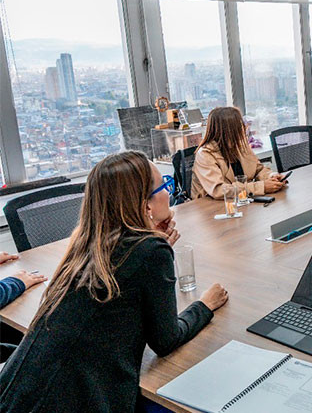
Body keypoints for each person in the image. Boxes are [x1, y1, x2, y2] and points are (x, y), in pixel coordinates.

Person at [0, 151, 228, 411]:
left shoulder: (85, 244)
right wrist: (204, 306)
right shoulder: (150, 250)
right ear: (146, 206)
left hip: (17, 394)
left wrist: (153, 244)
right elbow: (166, 340)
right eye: (165, 185)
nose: (169, 192)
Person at [192, 106, 286, 199]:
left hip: (240, 201)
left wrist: (271, 176)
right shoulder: (205, 154)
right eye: (240, 124)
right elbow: (219, 190)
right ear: (229, 130)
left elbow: (258, 169)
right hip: (212, 207)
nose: (244, 127)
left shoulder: (239, 146)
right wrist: (262, 187)